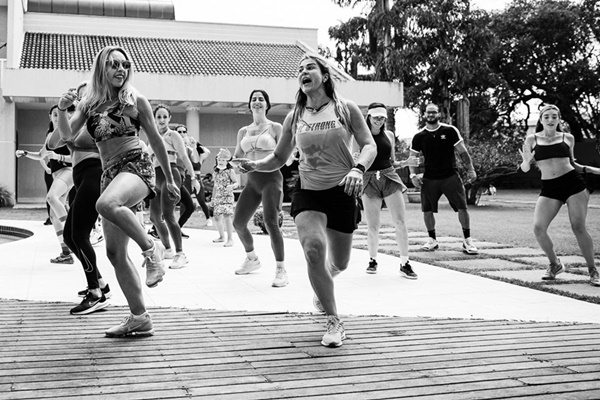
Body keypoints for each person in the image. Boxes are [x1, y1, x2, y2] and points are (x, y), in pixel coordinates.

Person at [237, 53, 376, 347]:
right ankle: (334, 320)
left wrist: (358, 168)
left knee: (339, 263)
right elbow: (279, 157)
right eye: (299, 69)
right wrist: (254, 165)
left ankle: (322, 286)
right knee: (313, 250)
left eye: (310, 67)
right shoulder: (294, 116)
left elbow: (369, 145)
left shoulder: (345, 108)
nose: (303, 72)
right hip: (308, 191)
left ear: (324, 76)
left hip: (342, 191)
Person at [56, 45, 180, 337]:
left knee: (106, 204)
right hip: (110, 173)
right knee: (114, 253)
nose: (120, 69)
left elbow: (156, 141)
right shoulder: (89, 105)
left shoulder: (136, 101)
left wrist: (171, 179)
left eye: (125, 64)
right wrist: (62, 109)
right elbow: (65, 136)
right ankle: (139, 318)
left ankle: (153, 248)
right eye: (113, 64)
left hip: (136, 166)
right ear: (102, 68)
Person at [48, 81, 111, 315]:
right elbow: (53, 143)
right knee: (69, 235)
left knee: (79, 234)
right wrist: (63, 110)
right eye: (80, 96)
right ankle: (101, 284)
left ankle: (95, 293)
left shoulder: (100, 120)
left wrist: (70, 118)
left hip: (95, 172)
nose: (83, 99)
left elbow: (69, 141)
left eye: (88, 95)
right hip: (81, 175)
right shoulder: (77, 119)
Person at [519, 104, 600, 286]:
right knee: (538, 228)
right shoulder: (532, 139)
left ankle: (593, 270)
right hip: (550, 187)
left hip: (573, 184)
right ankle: (555, 264)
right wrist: (525, 161)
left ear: (559, 119)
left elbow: (574, 164)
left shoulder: (568, 138)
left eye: (554, 116)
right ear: (541, 119)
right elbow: (525, 168)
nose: (550, 120)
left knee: (578, 226)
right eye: (546, 116)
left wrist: (595, 170)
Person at [232, 89, 288, 287]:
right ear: (249, 105)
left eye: (261, 99)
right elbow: (237, 157)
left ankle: (281, 269)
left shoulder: (275, 127)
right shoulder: (243, 131)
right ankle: (252, 259)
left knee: (271, 222)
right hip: (252, 182)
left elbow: (284, 157)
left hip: (271, 179)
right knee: (238, 223)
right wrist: (230, 162)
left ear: (267, 105)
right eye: (253, 99)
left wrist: (260, 162)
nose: (257, 102)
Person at [409, 103, 479, 255]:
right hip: (429, 178)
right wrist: (412, 175)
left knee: (462, 207)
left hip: (450, 176)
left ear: (439, 114)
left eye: (434, 112)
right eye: (428, 112)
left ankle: (467, 240)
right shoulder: (419, 136)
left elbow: (463, 152)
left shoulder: (450, 130)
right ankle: (432, 240)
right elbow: (412, 158)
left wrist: (471, 170)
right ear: (424, 115)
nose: (431, 115)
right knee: (427, 210)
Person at [361, 103, 420, 278]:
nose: (379, 120)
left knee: (400, 222)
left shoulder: (389, 135)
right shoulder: (360, 136)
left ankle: (405, 263)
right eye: (376, 117)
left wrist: (406, 163)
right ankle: (372, 260)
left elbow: (391, 161)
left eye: (382, 117)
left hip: (389, 176)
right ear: (369, 117)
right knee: (373, 225)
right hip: (369, 179)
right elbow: (354, 161)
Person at [16, 105, 74, 263]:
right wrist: (25, 153)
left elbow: (76, 158)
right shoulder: (50, 136)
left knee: (51, 197)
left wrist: (58, 157)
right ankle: (66, 253)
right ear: (50, 116)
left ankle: (72, 232)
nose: (57, 117)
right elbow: (41, 155)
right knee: (54, 216)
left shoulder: (68, 134)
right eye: (54, 114)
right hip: (58, 175)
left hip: (68, 172)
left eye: (60, 114)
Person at [148, 104, 199, 269]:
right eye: (158, 117)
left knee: (168, 215)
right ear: (154, 119)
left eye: (165, 116)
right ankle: (168, 249)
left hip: (171, 175)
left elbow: (184, 156)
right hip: (155, 177)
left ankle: (180, 253)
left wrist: (194, 178)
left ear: (169, 118)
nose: (162, 120)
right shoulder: (153, 136)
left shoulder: (173, 135)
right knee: (154, 217)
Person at [212, 148, 239, 246]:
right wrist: (212, 198)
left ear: (227, 161)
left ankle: (230, 239)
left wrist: (231, 186)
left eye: (223, 160)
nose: (221, 161)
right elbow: (215, 185)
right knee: (217, 217)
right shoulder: (216, 171)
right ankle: (221, 236)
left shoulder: (230, 171)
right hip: (218, 196)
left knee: (227, 216)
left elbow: (236, 183)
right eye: (219, 160)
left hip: (227, 196)